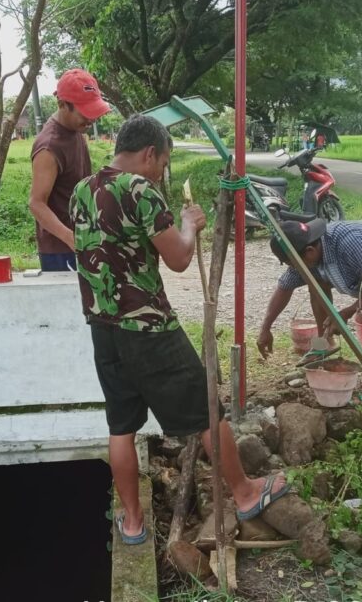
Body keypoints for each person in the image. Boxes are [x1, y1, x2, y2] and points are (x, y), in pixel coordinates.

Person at [70, 114, 289, 544]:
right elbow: (178, 258)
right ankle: (245, 493)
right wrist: (190, 223)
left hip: (104, 328)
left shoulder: (82, 190)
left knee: (121, 427)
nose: (162, 172)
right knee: (208, 410)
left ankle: (132, 523)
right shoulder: (140, 190)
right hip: (150, 329)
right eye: (163, 163)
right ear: (149, 153)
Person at [256, 219, 362, 402]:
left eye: (291, 264)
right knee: (315, 282)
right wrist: (265, 328)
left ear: (309, 251)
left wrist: (346, 313)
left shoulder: (350, 243)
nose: (292, 268)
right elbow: (284, 287)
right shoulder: (307, 250)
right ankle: (325, 342)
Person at [30, 69, 110, 272]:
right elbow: (36, 204)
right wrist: (70, 238)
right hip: (61, 249)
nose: (91, 120)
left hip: (83, 240)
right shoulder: (49, 146)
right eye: (85, 112)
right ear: (62, 105)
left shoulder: (75, 130)